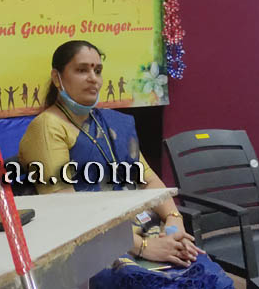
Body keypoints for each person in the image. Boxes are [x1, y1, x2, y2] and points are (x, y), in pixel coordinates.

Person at [18, 40, 232, 289]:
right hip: (90, 246)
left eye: (98, 70)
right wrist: (142, 247)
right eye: (82, 70)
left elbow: (147, 179)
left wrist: (174, 221)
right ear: (57, 78)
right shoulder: (48, 127)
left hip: (142, 228)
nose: (93, 78)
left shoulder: (109, 123)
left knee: (209, 276)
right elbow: (66, 208)